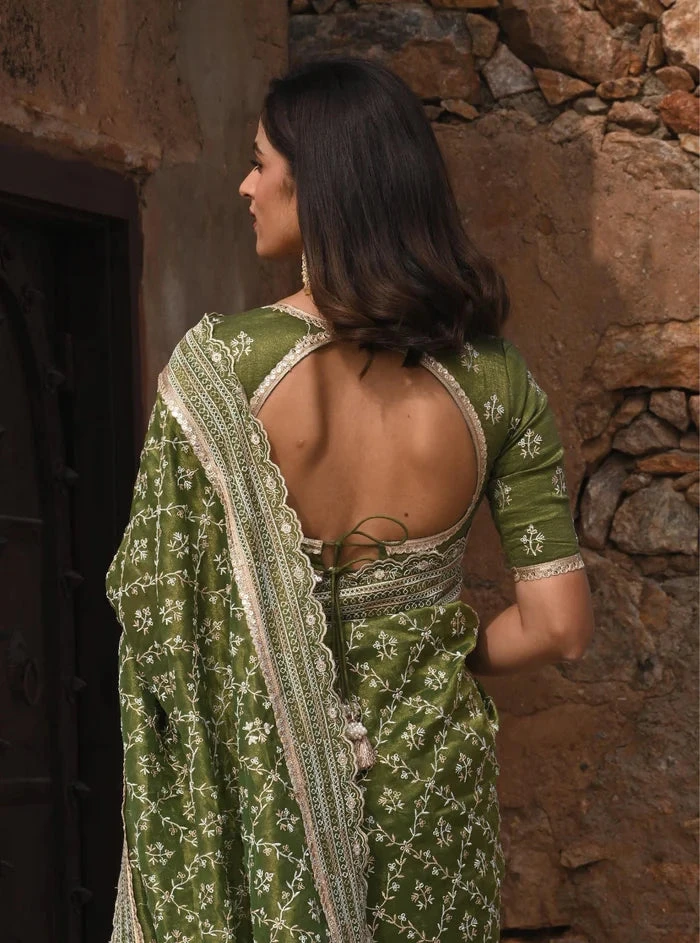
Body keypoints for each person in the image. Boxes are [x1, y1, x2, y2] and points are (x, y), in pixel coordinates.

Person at [107, 56, 594, 943]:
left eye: (259, 162)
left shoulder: (219, 372)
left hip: (264, 800)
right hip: (429, 795)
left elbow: (162, 628)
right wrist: (430, 649)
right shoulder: (497, 383)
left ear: (318, 183)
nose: (246, 185)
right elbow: (560, 626)